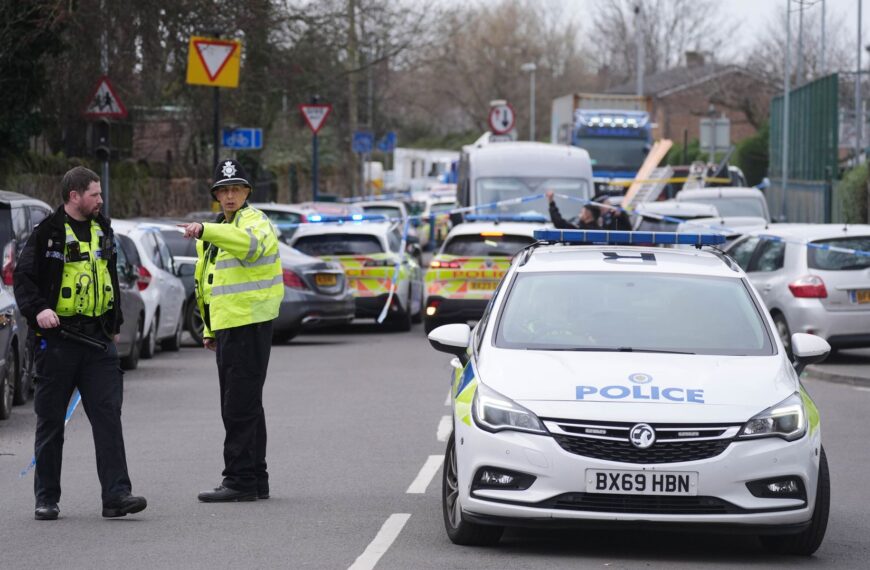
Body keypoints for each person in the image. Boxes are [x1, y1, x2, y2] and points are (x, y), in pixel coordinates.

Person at [13, 166, 147, 521]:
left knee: (108, 418)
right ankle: (47, 498)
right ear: (74, 196)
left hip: (98, 341)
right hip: (58, 342)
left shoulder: (103, 228)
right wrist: (39, 309)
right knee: (51, 422)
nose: (100, 200)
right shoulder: (48, 234)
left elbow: (110, 280)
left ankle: (117, 496)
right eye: (94, 194)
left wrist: (114, 324)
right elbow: (23, 279)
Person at [179, 159, 283, 502]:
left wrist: (205, 229)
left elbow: (249, 246)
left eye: (235, 189)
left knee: (238, 406)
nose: (229, 196)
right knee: (246, 403)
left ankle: (238, 479)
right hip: (229, 327)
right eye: (223, 191)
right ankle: (255, 478)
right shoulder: (212, 236)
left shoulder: (254, 222)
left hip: (250, 323)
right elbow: (206, 285)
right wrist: (209, 328)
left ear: (247, 193)